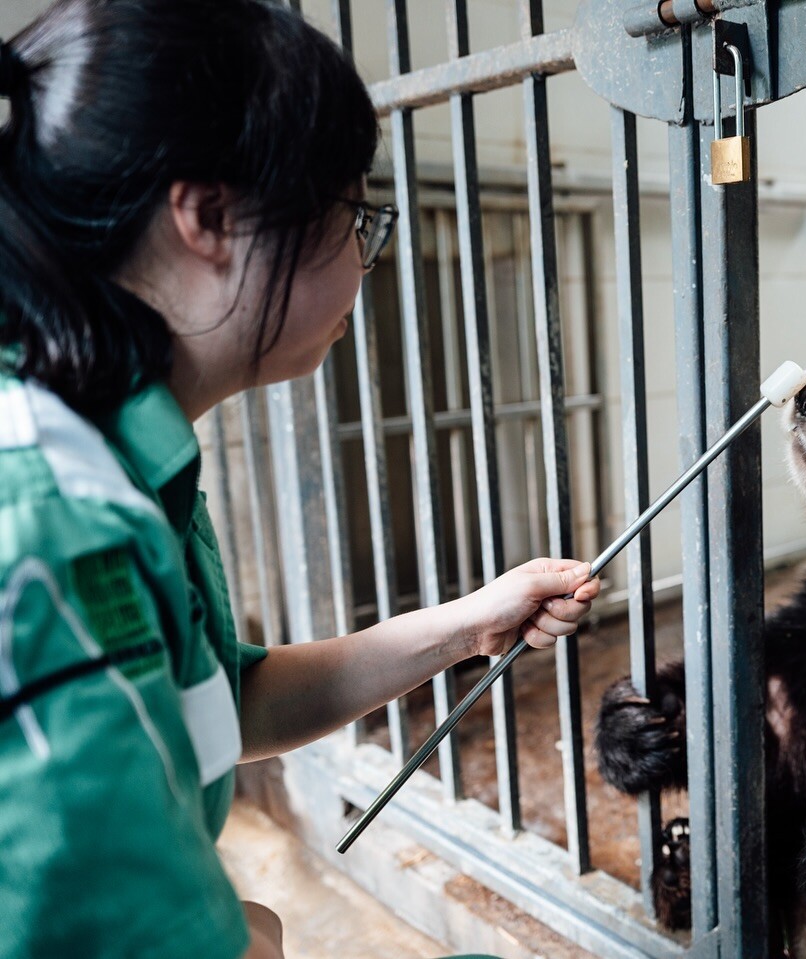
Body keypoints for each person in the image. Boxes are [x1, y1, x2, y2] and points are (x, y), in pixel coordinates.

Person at [0, 2, 600, 957]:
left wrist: (466, 624)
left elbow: (221, 703)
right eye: (350, 216)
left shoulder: (106, 448)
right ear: (209, 217)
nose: (364, 258)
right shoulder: (51, 523)